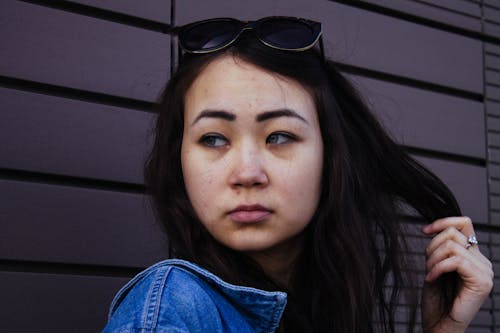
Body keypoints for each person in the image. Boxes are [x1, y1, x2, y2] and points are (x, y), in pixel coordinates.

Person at [101, 17, 493, 332]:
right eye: (215, 139)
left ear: (330, 153)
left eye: (280, 136)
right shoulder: (177, 307)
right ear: (179, 159)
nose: (247, 172)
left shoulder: (324, 309)